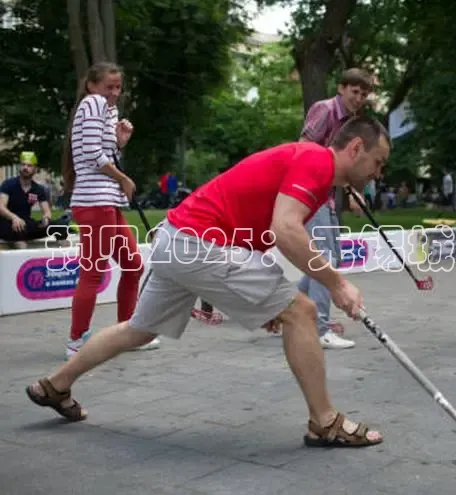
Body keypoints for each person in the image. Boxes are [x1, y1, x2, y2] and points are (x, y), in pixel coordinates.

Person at [24, 115, 390, 448]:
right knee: (303, 311)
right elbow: (286, 229)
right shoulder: (317, 161)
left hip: (176, 239)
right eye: (377, 162)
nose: (378, 173)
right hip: (199, 243)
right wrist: (338, 284)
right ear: (355, 148)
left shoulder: (311, 165)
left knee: (140, 330)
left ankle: (56, 385)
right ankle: (325, 421)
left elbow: (263, 229)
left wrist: (254, 299)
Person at [62, 62, 160, 359]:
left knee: (132, 265)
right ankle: (76, 340)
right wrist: (123, 179)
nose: (115, 93)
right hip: (94, 202)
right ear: (92, 85)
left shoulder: (108, 110)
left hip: (108, 202)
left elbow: (105, 153)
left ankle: (127, 333)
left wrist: (119, 142)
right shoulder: (92, 103)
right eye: (109, 87)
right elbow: (92, 155)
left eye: (118, 87)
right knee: (93, 272)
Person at [292, 68, 374, 350]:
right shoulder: (324, 110)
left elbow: (341, 162)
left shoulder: (351, 121)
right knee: (324, 259)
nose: (359, 98)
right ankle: (320, 328)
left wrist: (352, 191)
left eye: (364, 94)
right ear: (341, 88)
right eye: (355, 92)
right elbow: (304, 149)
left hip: (324, 195)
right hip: (308, 193)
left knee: (327, 258)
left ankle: (285, 312)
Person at [0, 151, 71, 248]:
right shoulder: (8, 184)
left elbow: (47, 212)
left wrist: (46, 218)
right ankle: (19, 245)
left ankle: (64, 256)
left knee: (60, 226)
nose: (25, 168)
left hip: (26, 224)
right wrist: (14, 218)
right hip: (8, 224)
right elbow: (1, 207)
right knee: (19, 236)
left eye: (29, 166)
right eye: (23, 165)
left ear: (35, 169)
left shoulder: (38, 189)